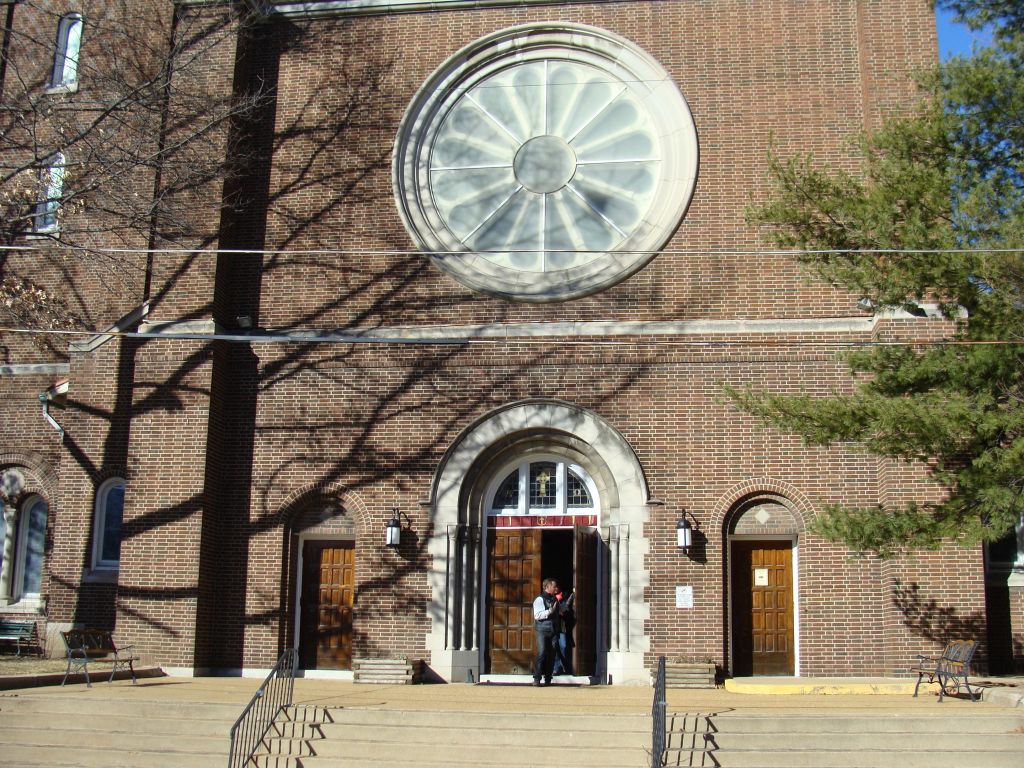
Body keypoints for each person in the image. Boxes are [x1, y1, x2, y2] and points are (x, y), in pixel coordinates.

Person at [532, 578, 560, 686]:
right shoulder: (539, 599)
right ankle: (537, 678)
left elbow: (559, 613)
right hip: (542, 630)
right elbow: (537, 615)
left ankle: (548, 678)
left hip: (553, 630)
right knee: (542, 653)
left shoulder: (555, 600)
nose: (556, 588)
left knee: (552, 655)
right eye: (554, 586)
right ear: (547, 587)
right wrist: (549, 611)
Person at [553, 588, 575, 676]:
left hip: (561, 628)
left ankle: (562, 667)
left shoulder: (563, 600)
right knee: (554, 648)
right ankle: (555, 668)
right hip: (552, 628)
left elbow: (564, 611)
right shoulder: (550, 598)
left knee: (563, 646)